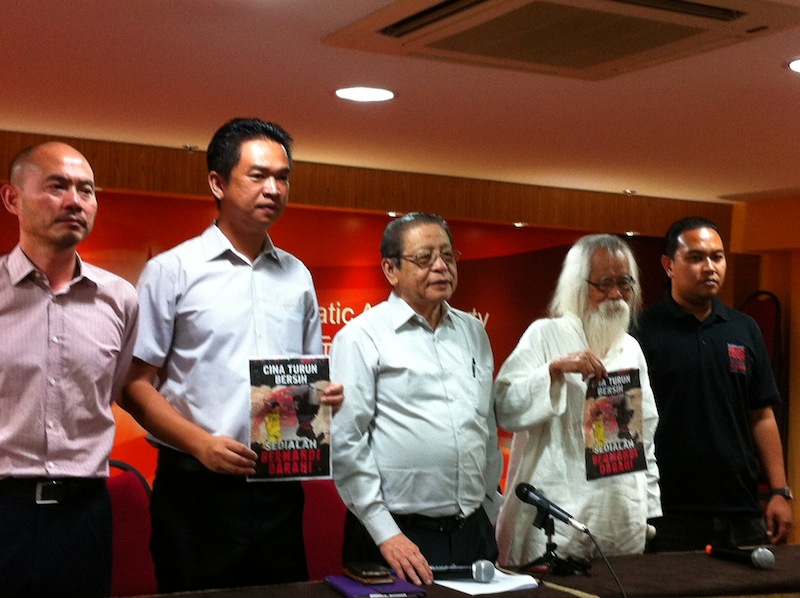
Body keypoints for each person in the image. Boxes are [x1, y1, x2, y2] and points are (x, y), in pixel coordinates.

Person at [119, 118, 344, 592]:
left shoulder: (297, 275)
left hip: (280, 487)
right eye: (258, 175)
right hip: (195, 490)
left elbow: (299, 380)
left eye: (283, 177)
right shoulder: (172, 270)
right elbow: (133, 384)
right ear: (217, 183)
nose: (274, 188)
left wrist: (322, 398)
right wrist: (200, 444)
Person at [330, 212, 502, 586]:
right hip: (397, 537)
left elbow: (484, 427)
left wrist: (489, 508)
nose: (441, 267)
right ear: (391, 269)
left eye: (448, 256)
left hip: (472, 533)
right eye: (424, 259)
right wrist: (384, 532)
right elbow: (347, 442)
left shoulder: (473, 332)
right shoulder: (361, 336)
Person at [0, 142, 139, 597]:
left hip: (85, 516)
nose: (74, 201)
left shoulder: (119, 299)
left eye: (86, 190)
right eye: (57, 186)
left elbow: (114, 390)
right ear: (12, 199)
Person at [493, 234, 661, 568]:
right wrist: (554, 370)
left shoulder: (630, 348)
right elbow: (505, 407)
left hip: (620, 518)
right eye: (604, 284)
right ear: (578, 286)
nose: (616, 295)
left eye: (624, 283)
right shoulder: (545, 334)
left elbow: (646, 435)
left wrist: (650, 509)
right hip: (555, 515)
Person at [633, 216, 792, 551]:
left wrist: (779, 491)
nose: (709, 267)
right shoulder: (641, 329)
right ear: (669, 265)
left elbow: (761, 415)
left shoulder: (744, 329)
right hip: (667, 512)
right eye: (695, 257)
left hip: (741, 512)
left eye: (717, 257)